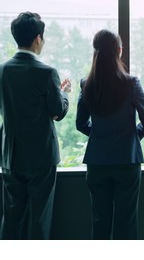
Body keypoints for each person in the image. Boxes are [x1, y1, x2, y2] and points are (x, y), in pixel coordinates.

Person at [76, 29, 144, 240]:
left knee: (100, 222)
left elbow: (80, 124)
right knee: (126, 223)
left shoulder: (86, 84)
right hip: (127, 161)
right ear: (119, 51)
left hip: (97, 161)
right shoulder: (131, 83)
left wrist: (101, 134)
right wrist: (131, 135)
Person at [0, 12, 71, 239]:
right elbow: (57, 112)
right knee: (40, 218)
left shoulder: (2, 71)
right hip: (41, 156)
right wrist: (64, 93)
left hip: (11, 154)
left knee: (11, 216)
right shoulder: (46, 72)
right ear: (38, 38)